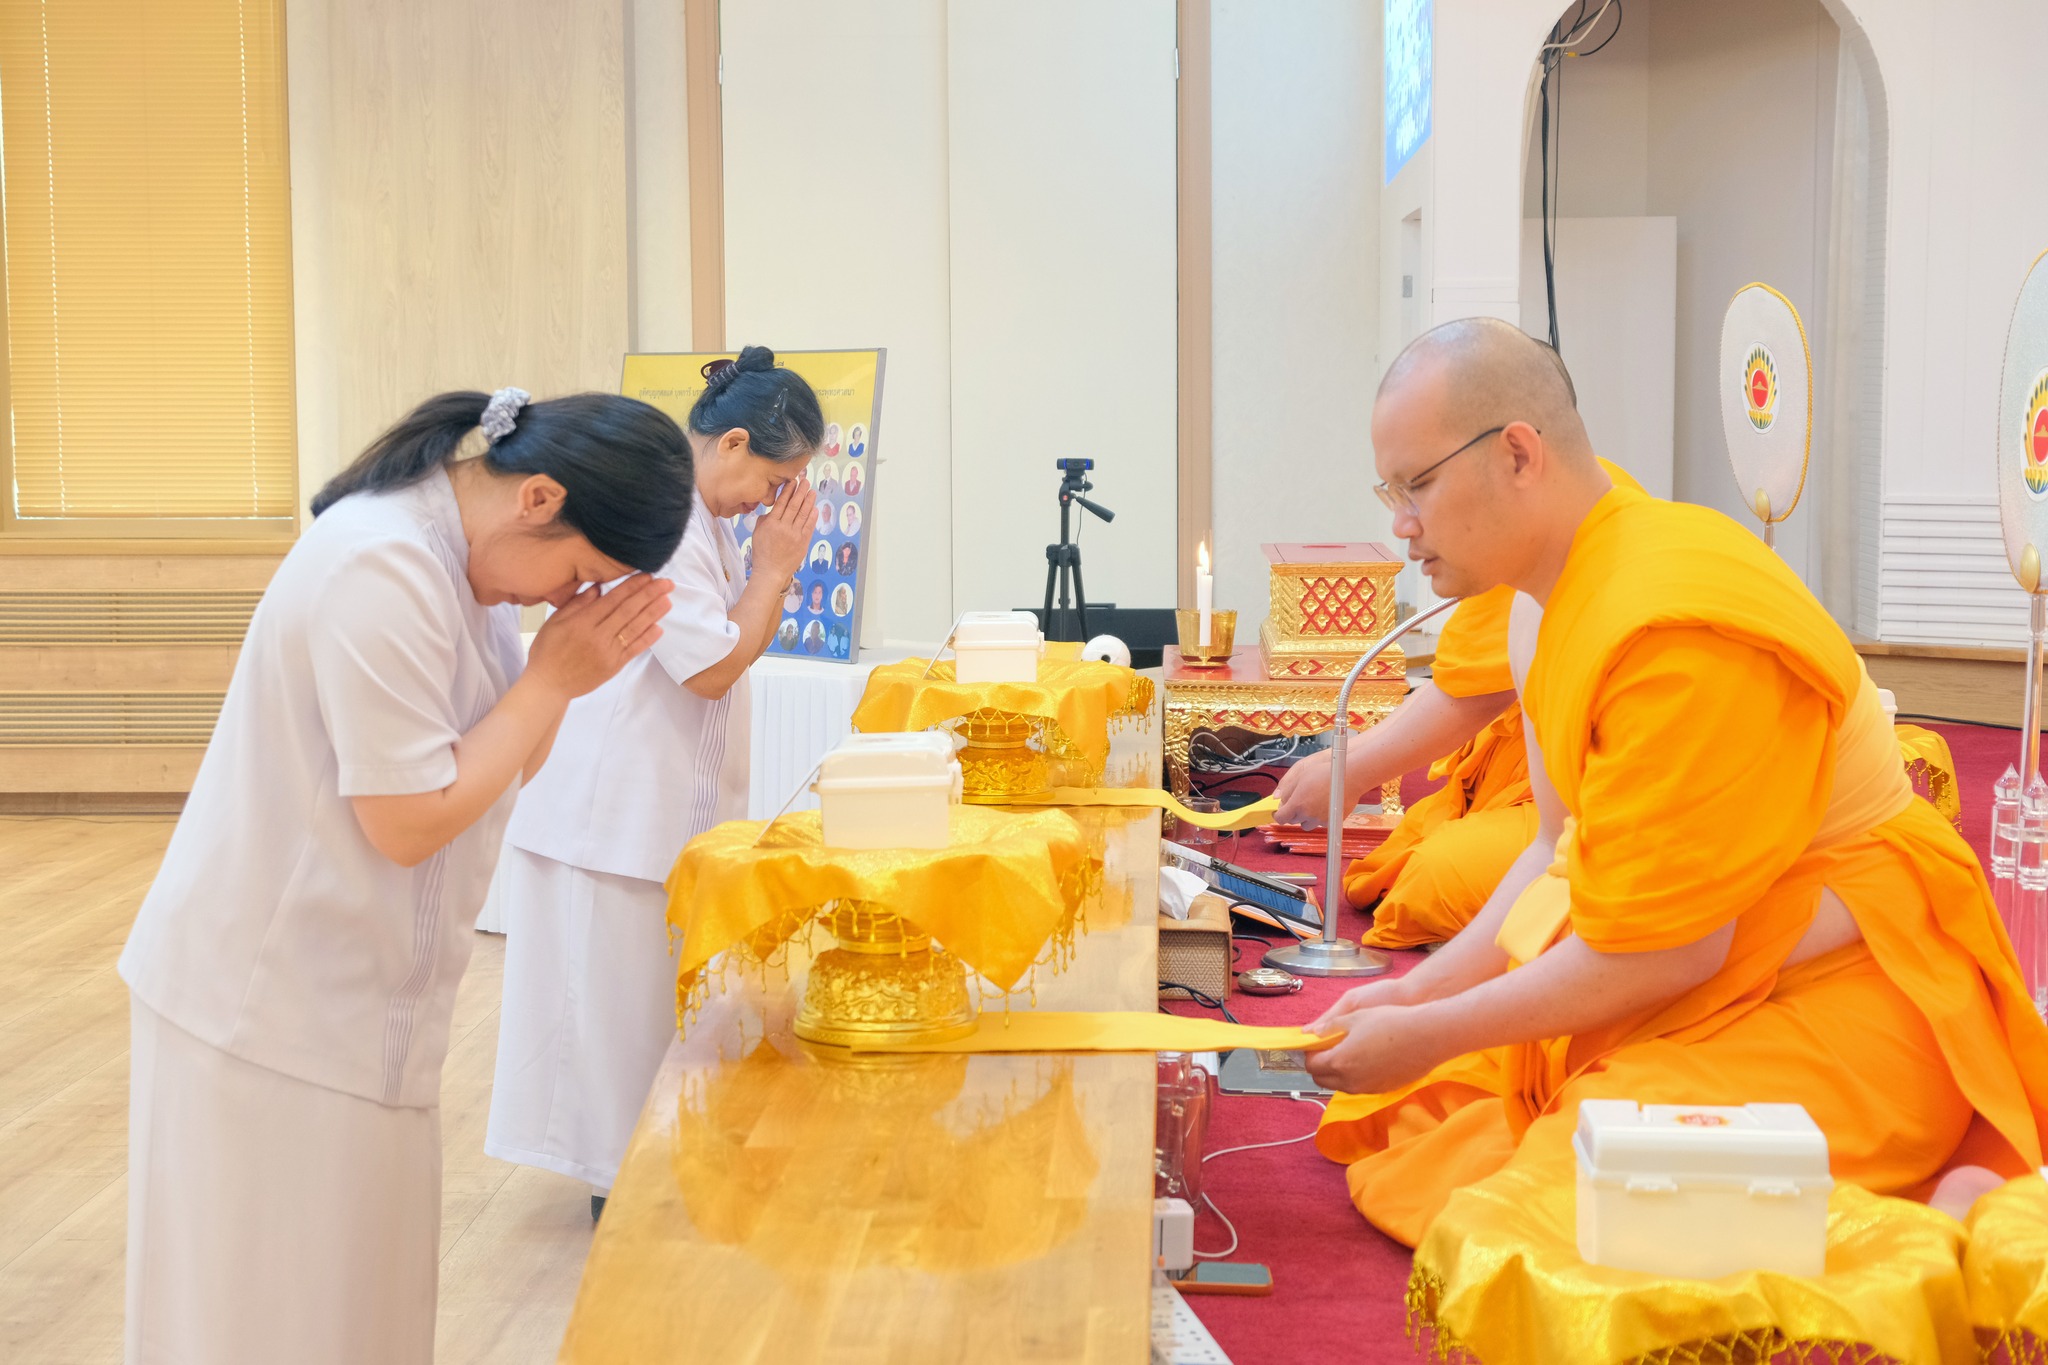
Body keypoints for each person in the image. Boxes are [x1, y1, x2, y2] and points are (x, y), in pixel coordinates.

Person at [1306, 318, 2048, 1272]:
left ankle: (1947, 1210)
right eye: (1391, 491)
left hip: (1852, 986)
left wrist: (1429, 1028)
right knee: (1437, 1107)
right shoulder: (1545, 604)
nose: (1400, 523)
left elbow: (1671, 946)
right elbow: (1553, 850)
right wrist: (1417, 994)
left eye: (1417, 485)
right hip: (1714, 962)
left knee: (1551, 1207)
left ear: (1520, 454)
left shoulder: (1669, 625)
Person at [117, 387, 690, 1365]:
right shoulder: (379, 565)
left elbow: (504, 759)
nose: (566, 599)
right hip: (264, 1012)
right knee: (264, 1317)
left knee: (356, 1310)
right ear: (540, 498)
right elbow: (409, 819)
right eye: (580, 573)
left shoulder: (458, 566)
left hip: (348, 1000)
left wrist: (560, 679)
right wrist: (551, 677)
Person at [485, 347, 822, 1218]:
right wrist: (776, 570)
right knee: (610, 1036)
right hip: (609, 814)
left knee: (639, 1028)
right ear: (733, 441)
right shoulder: (668, 517)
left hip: (646, 815)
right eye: (775, 479)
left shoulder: (696, 515)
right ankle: (624, 1207)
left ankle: (641, 1186)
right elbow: (710, 666)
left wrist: (765, 573)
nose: (774, 503)